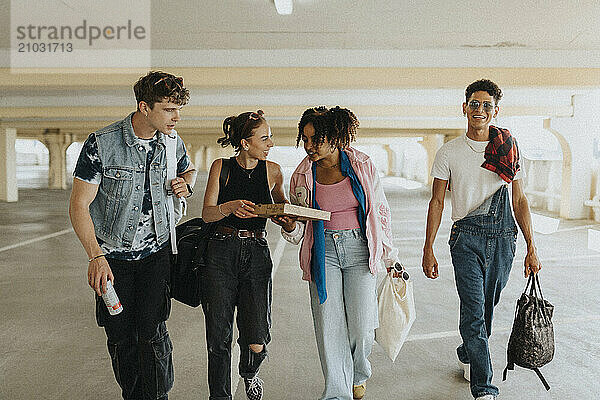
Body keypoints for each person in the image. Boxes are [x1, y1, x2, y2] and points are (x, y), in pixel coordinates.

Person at [69, 71, 196, 400]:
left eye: (178, 108)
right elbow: (79, 205)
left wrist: (186, 183)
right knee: (122, 336)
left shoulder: (171, 142)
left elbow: (187, 168)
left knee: (151, 332)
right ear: (144, 107)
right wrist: (96, 257)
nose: (176, 117)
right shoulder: (102, 144)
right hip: (113, 260)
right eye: (169, 109)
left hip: (157, 255)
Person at [421, 79, 542, 400]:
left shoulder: (508, 148)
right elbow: (436, 201)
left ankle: (469, 351)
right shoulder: (449, 152)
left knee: (488, 305)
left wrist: (532, 247)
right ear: (465, 108)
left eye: (487, 105)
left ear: (495, 111)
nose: (480, 110)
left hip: (504, 240)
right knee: (473, 312)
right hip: (465, 239)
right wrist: (427, 247)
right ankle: (484, 388)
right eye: (474, 104)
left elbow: (519, 200)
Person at [273, 106, 402, 400]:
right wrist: (290, 225)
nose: (308, 146)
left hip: (360, 248)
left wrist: (390, 256)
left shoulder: (362, 165)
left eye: (315, 139)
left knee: (361, 327)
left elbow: (380, 210)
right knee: (329, 326)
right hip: (324, 251)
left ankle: (358, 373)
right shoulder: (303, 175)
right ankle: (336, 392)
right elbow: (299, 228)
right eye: (304, 139)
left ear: (335, 137)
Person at [201, 110, 287, 400]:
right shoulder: (221, 167)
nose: (270, 143)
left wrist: (287, 219)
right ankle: (220, 396)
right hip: (220, 252)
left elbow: (281, 210)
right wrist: (230, 206)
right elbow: (208, 213)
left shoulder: (273, 171)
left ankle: (250, 373)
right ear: (245, 142)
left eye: (270, 137)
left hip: (257, 253)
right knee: (218, 336)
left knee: (257, 336)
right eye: (264, 138)